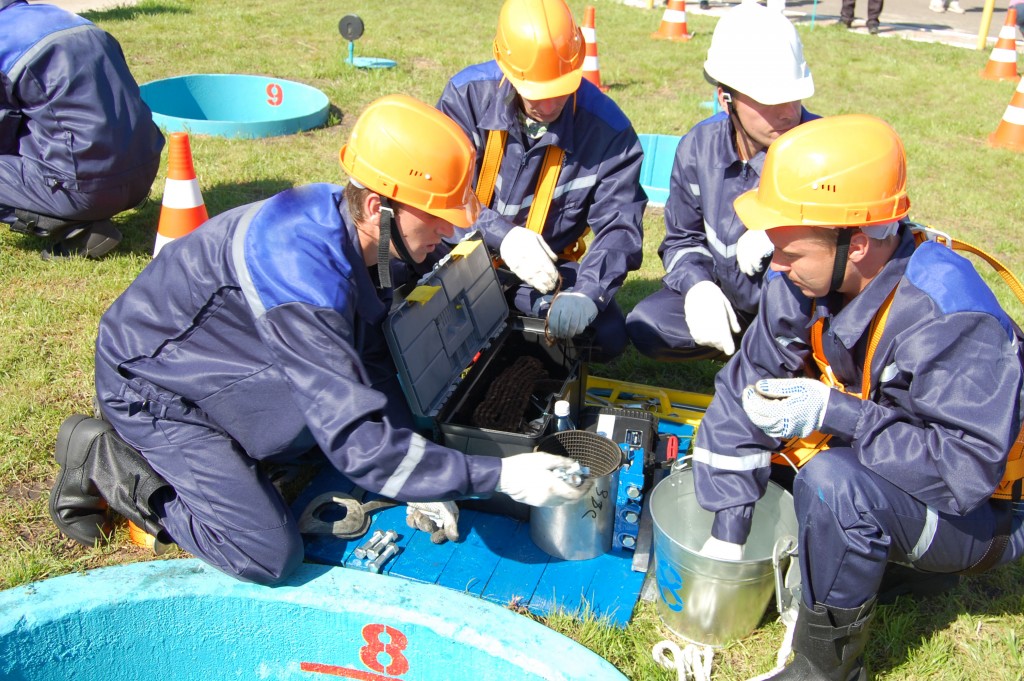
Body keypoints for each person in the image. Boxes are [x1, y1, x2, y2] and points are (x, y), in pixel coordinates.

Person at [48, 94, 593, 585]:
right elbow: (359, 446)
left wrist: (425, 475)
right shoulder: (302, 275)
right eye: (438, 223)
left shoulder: (360, 231)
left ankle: (243, 448)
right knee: (265, 551)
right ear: (381, 207)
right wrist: (496, 475)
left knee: (316, 428)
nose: (446, 238)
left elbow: (376, 360)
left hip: (223, 356)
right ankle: (107, 457)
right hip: (152, 385)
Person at [691, 114, 1024, 680]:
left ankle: (828, 669)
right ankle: (885, 562)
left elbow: (962, 472)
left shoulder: (951, 318)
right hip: (913, 466)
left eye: (789, 251)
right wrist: (727, 536)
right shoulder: (807, 275)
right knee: (793, 467)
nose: (775, 265)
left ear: (860, 243)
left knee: (833, 487)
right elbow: (744, 392)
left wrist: (833, 411)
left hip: (985, 511)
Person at [437, 0, 646, 362]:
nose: (549, 106)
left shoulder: (609, 133)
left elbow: (619, 228)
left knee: (607, 333)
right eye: (535, 92)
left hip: (541, 276)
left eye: (560, 90)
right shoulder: (466, 97)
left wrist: (587, 294)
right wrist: (501, 235)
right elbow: (441, 194)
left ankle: (508, 330)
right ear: (506, 67)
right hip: (458, 256)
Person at [626, 1, 816, 361]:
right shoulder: (698, 150)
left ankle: (779, 355)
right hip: (727, 296)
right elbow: (683, 239)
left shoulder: (823, 152)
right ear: (725, 98)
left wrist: (787, 236)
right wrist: (698, 288)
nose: (788, 111)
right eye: (769, 99)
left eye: (794, 96)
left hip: (798, 312)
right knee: (648, 324)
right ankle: (742, 342)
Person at [0, 0, 165, 260]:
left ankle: (76, 230)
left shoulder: (3, 40)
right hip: (144, 172)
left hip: (90, 189)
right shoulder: (66, 18)